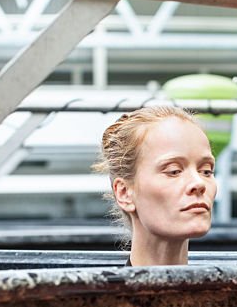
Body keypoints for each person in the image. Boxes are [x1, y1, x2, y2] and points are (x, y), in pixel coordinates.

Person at [93, 106, 217, 266]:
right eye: (174, 171)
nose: (199, 183)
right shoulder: (89, 289)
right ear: (124, 192)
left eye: (206, 171)